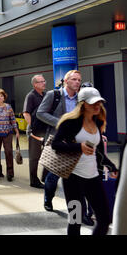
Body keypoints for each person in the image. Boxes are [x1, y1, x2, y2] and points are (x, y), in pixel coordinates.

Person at [52, 87, 118, 235]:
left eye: (99, 102)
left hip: (93, 178)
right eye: (93, 103)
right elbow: (56, 145)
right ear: (82, 104)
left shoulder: (98, 122)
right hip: (72, 179)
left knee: (105, 220)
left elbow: (99, 151)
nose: (97, 106)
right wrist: (78, 147)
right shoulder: (70, 122)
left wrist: (111, 167)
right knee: (75, 220)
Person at [36, 70, 82, 212]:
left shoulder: (80, 98)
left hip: (76, 142)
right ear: (66, 81)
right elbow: (40, 113)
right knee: (53, 176)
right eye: (74, 79)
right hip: (57, 140)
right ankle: (48, 198)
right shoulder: (54, 95)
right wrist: (61, 123)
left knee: (76, 178)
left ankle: (78, 211)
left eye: (79, 80)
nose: (77, 82)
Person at [22, 75, 47, 188]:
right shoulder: (31, 96)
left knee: (49, 154)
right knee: (34, 156)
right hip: (35, 131)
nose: (44, 83)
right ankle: (34, 180)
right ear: (35, 84)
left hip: (45, 130)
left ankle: (45, 177)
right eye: (41, 82)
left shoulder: (46, 95)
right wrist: (32, 127)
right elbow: (26, 113)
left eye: (44, 81)